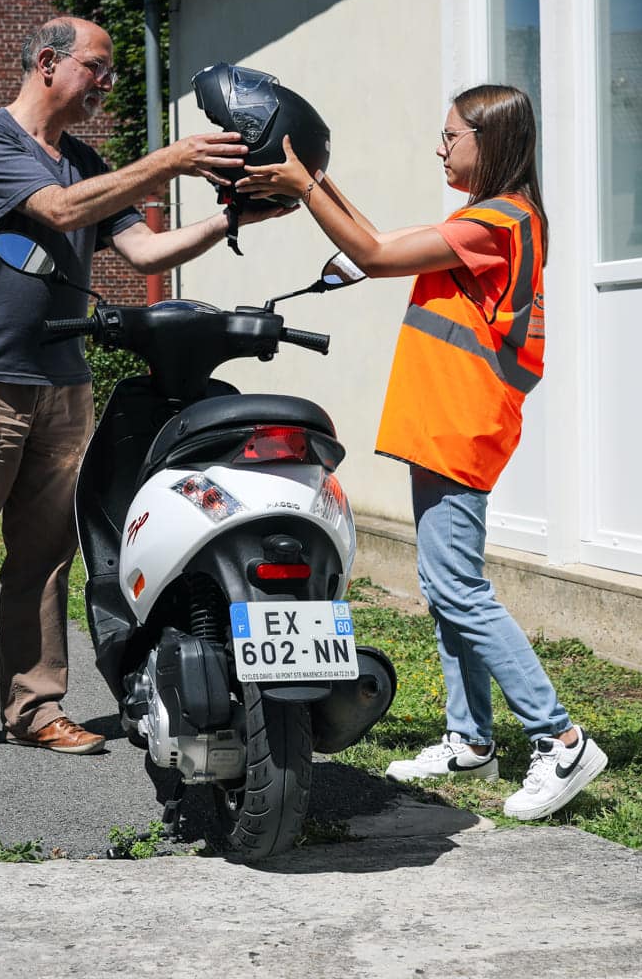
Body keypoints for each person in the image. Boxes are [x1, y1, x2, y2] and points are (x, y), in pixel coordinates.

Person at [0, 16, 267, 757]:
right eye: (97, 70)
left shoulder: (86, 161)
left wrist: (228, 218)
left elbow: (144, 246)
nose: (106, 85)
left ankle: (37, 710)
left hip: (61, 387)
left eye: (110, 74)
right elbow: (57, 211)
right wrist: (169, 161)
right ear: (48, 63)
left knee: (45, 559)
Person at [236, 84, 606, 822]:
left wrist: (305, 184)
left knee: (459, 588)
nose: (440, 148)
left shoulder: (498, 221)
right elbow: (374, 245)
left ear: (489, 141)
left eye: (450, 137)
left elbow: (371, 253)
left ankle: (560, 739)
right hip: (441, 421)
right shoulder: (483, 220)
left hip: (459, 424)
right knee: (445, 589)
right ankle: (470, 739)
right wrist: (312, 173)